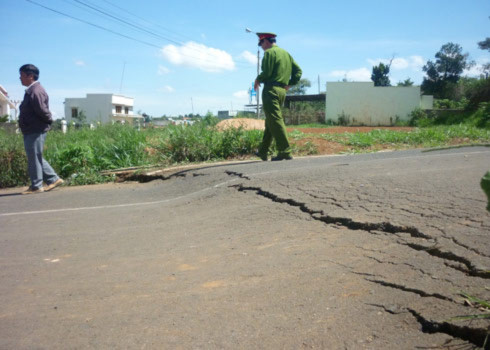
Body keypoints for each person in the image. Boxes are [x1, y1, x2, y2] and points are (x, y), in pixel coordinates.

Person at [254, 32, 302, 161]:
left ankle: (285, 151)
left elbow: (267, 72)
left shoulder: (269, 53)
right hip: (282, 91)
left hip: (271, 90)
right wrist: (290, 83)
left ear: (267, 41)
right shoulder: (286, 54)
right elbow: (298, 71)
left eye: (261, 44)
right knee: (271, 120)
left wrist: (258, 79)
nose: (261, 47)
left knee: (275, 120)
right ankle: (263, 151)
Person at [18, 64, 63, 194]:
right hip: (32, 129)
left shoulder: (35, 91)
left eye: (21, 75)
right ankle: (53, 179)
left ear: (30, 76)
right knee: (35, 156)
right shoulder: (32, 90)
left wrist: (49, 120)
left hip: (35, 129)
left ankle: (37, 185)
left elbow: (42, 110)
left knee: (34, 157)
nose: (20, 78)